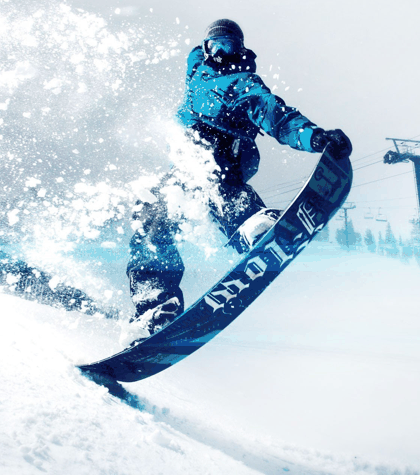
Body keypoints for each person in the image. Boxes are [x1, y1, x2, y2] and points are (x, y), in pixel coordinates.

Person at [126, 19, 352, 339]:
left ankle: (251, 224)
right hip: (186, 168)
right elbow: (194, 59)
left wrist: (316, 138)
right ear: (205, 50)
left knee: (217, 182)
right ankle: (153, 309)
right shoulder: (195, 73)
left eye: (228, 47)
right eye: (215, 47)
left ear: (240, 49)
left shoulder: (243, 83)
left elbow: (277, 116)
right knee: (150, 209)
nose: (221, 54)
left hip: (225, 158)